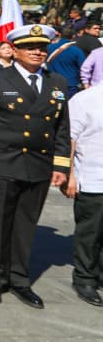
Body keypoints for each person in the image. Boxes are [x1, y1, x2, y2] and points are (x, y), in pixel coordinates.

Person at [0, 24, 71, 308]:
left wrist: (61, 166)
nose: (37, 52)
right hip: (4, 163)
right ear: (15, 51)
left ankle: (19, 279)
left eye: (42, 48)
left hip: (39, 165)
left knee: (26, 225)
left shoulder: (57, 82)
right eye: (30, 47)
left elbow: (62, 128)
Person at [65, 79, 103, 306]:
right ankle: (85, 279)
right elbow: (69, 138)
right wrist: (69, 174)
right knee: (90, 234)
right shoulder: (86, 99)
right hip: (92, 178)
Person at [46, 25, 86, 99]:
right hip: (71, 84)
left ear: (60, 35)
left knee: (56, 104)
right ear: (73, 36)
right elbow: (83, 67)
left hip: (52, 82)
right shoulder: (76, 50)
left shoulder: (48, 48)